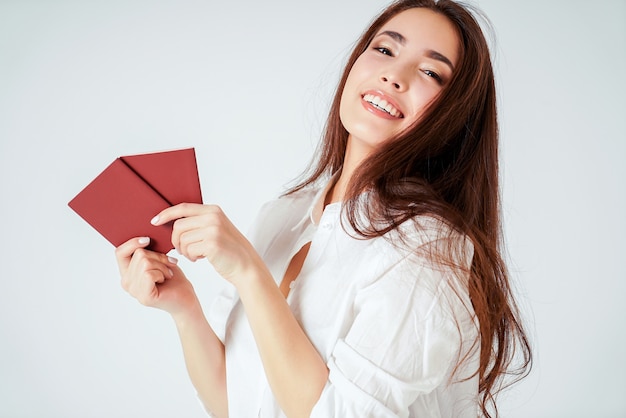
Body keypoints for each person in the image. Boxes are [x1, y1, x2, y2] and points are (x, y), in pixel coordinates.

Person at [115, 0, 532, 416]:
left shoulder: (427, 253)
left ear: (453, 114)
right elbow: (235, 403)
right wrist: (183, 306)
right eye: (385, 49)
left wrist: (248, 271)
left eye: (430, 72)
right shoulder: (284, 217)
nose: (394, 75)